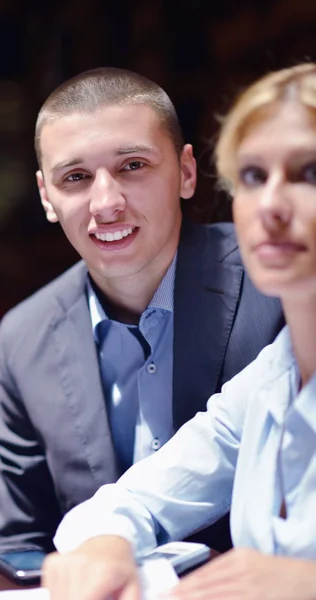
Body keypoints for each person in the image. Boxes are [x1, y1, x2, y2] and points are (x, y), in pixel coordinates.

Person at [41, 62, 316, 600]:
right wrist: (106, 544)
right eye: (255, 176)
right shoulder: (276, 373)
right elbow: (130, 502)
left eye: (310, 173)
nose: (271, 205)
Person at [0, 67, 283, 554]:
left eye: (133, 166)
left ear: (187, 173)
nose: (106, 203)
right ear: (47, 196)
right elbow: (22, 544)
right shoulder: (24, 336)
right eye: (76, 177)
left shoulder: (277, 281)